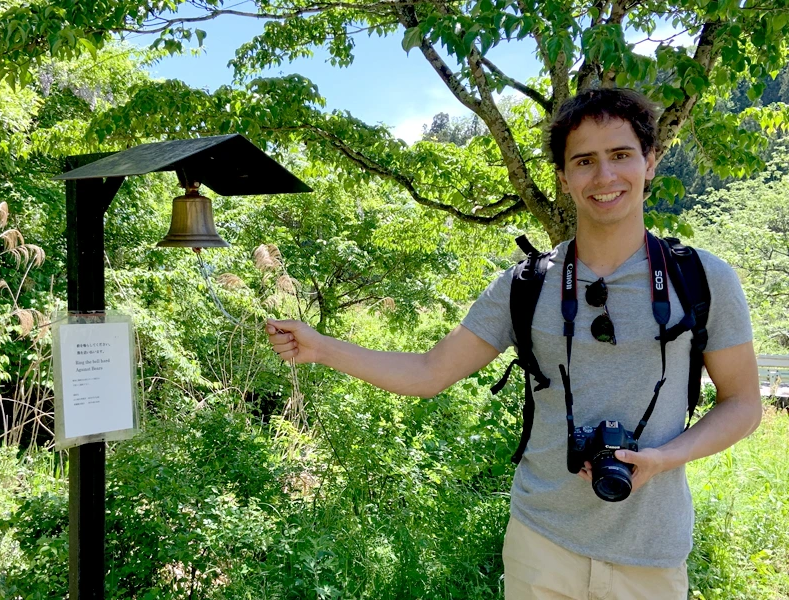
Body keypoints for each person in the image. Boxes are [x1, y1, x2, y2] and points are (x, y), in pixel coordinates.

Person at [266, 88, 762, 599]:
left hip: (650, 552)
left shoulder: (701, 280)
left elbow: (744, 403)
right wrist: (320, 347)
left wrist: (665, 458)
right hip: (540, 545)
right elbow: (430, 372)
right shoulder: (527, 285)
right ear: (564, 178)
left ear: (650, 162)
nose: (605, 177)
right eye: (584, 161)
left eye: (620, 155)